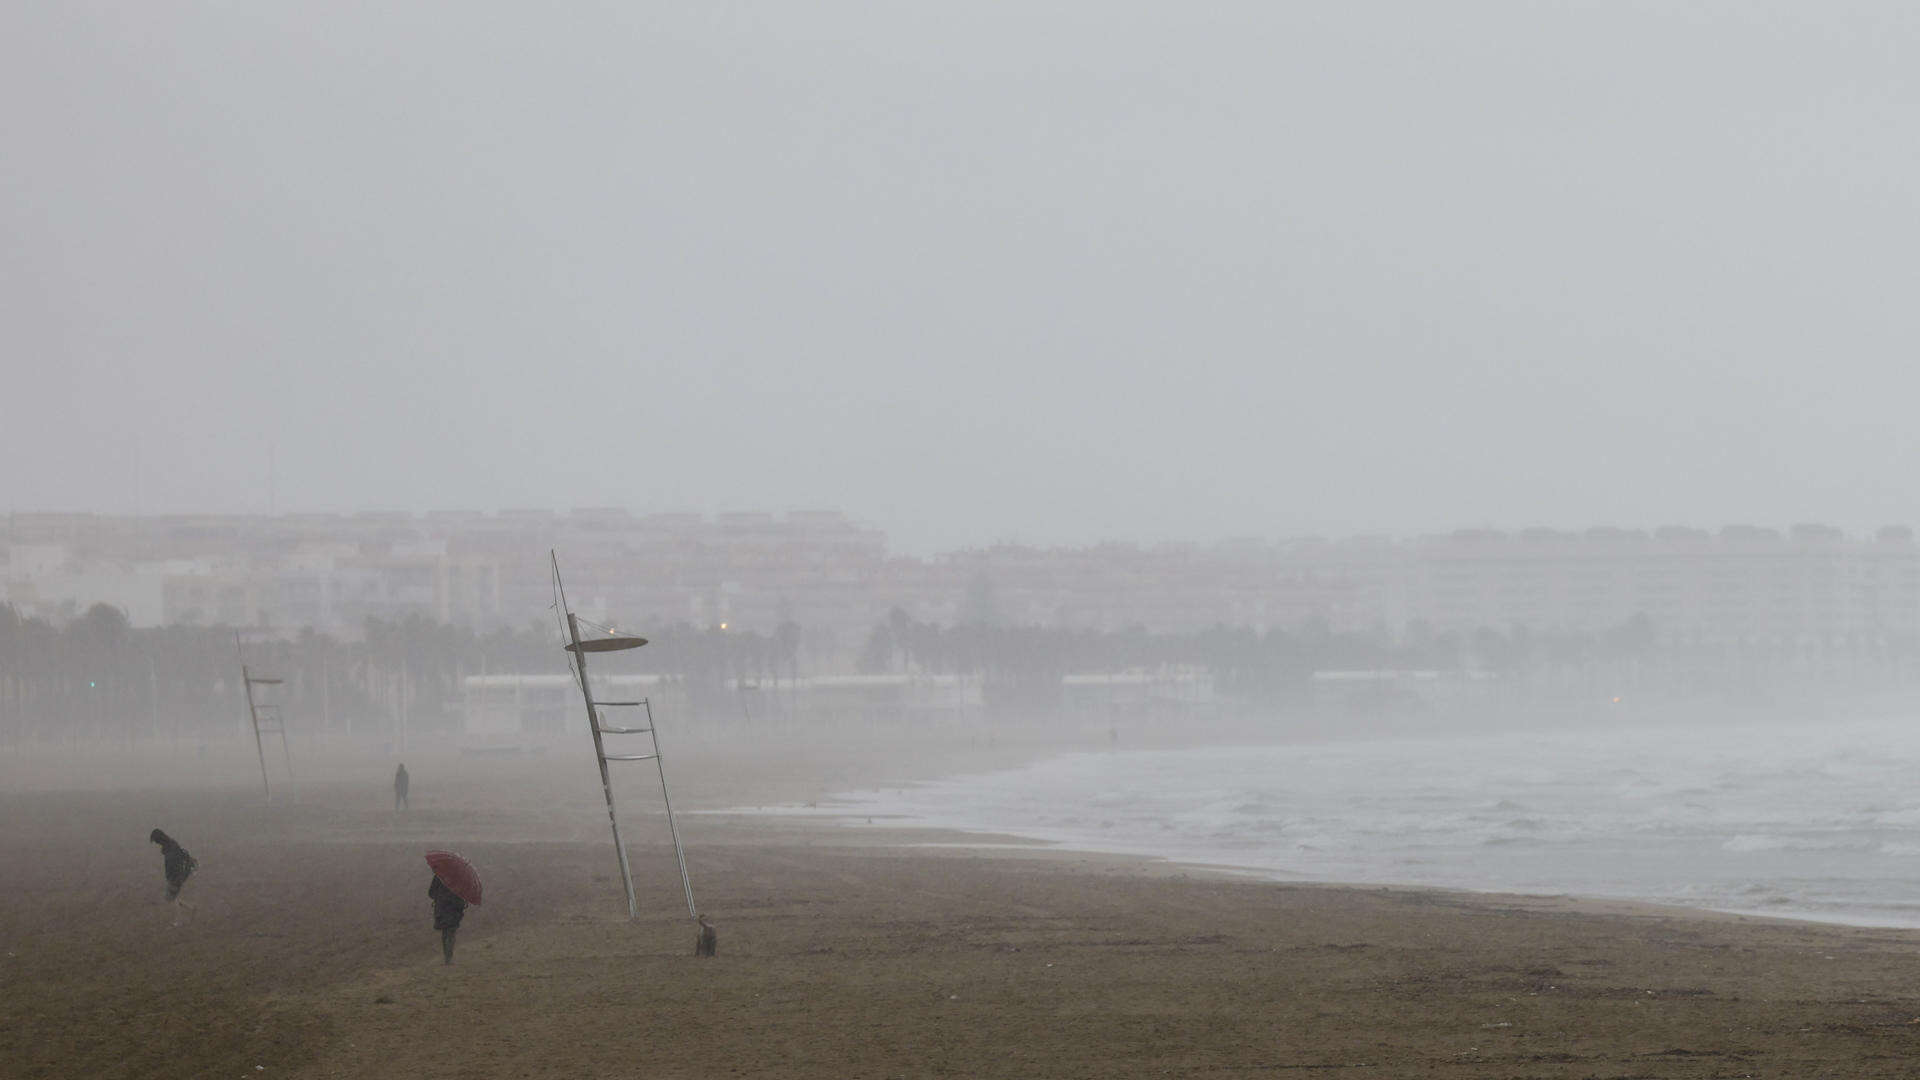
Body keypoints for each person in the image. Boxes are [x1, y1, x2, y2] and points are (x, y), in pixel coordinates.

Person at [149, 828, 197, 925]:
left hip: (176, 876)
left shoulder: (170, 849)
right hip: (179, 875)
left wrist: (173, 878)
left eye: (156, 841)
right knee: (172, 897)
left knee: (171, 898)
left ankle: (179, 920)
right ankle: (191, 908)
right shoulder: (172, 844)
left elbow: (173, 865)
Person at [429, 875, 467, 964]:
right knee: (451, 932)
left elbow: (431, 893)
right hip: (454, 908)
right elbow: (464, 892)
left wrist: (439, 897)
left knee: (445, 932)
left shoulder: (439, 876)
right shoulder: (459, 876)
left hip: (441, 908)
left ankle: (447, 956)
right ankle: (449, 957)